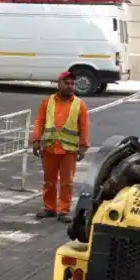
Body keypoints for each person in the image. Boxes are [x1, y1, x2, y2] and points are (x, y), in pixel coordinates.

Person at [31, 71, 90, 222]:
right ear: (59, 84)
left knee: (66, 182)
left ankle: (64, 210)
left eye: (72, 84)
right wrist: (36, 140)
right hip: (50, 148)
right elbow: (39, 122)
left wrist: (83, 146)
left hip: (68, 151)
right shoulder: (47, 102)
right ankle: (49, 208)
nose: (71, 86)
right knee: (49, 180)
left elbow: (84, 127)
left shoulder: (79, 104)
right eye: (67, 83)